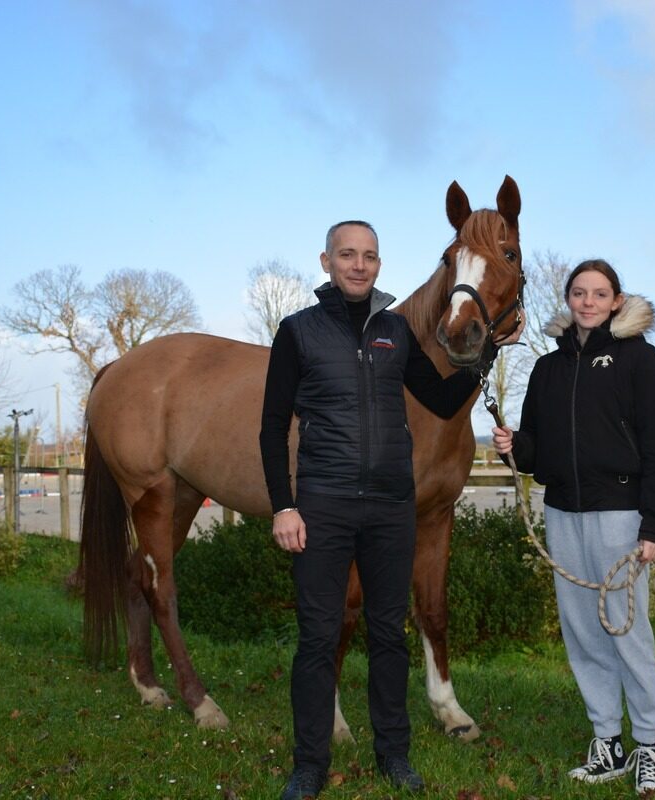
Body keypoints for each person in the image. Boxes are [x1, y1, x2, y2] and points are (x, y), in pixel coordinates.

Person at [260, 221, 483, 800]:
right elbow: (270, 426)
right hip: (324, 504)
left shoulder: (395, 332)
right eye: (348, 255)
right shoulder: (297, 332)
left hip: (389, 508)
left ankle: (394, 754)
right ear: (327, 260)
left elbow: (439, 396)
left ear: (379, 265)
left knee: (388, 635)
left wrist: (482, 358)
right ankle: (309, 764)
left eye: (370, 256)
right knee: (317, 637)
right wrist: (284, 505)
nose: (359, 265)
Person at [491, 259, 655, 797]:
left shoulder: (640, 362)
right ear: (569, 298)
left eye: (600, 293)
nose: (588, 302)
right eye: (579, 292)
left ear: (617, 301)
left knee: (627, 629)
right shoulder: (548, 369)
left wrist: (654, 526)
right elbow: (534, 450)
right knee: (582, 631)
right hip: (563, 512)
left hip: (622, 514)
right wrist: (515, 445)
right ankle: (608, 742)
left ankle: (648, 745)